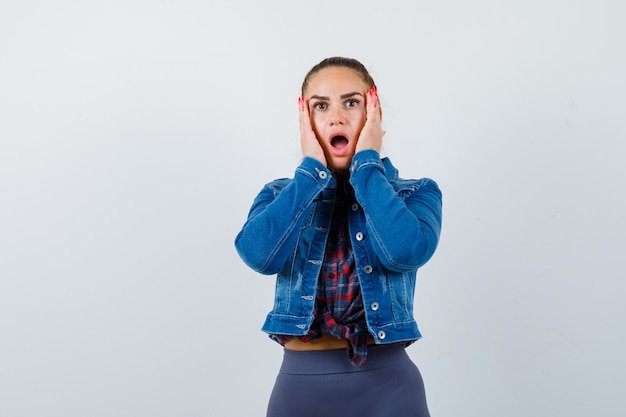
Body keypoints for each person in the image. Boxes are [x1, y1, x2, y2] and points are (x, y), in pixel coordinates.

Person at [234, 56, 442, 417]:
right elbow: (258, 257)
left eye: (351, 102)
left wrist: (367, 164)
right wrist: (310, 172)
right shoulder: (279, 194)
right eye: (320, 106)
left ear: (373, 116)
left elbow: (405, 251)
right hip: (299, 392)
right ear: (305, 121)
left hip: (390, 392)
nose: (336, 117)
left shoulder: (416, 193)